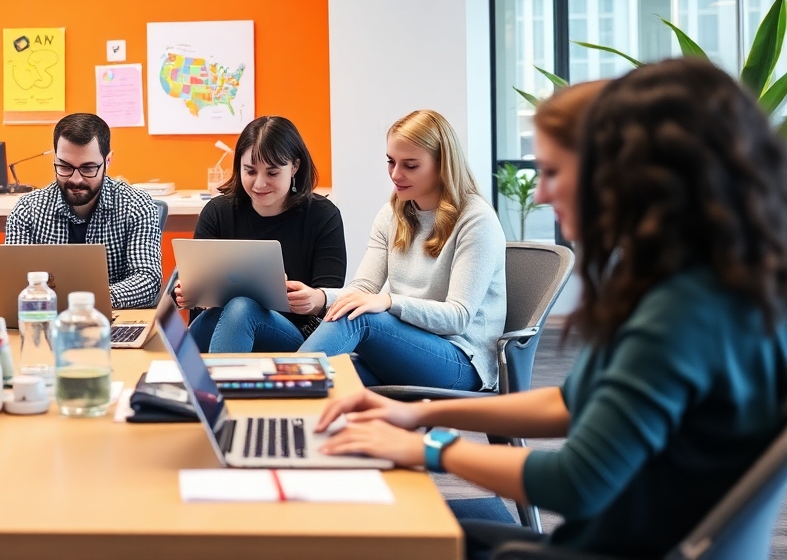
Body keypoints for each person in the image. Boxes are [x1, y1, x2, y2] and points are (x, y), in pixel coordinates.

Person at [317, 63, 787, 560]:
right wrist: (416, 413)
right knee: (454, 518)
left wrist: (430, 448)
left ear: (628, 176)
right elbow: (567, 404)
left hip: (613, 550)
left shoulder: (682, 313)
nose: (540, 192)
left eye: (554, 172)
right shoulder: (708, 287)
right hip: (608, 539)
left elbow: (578, 483)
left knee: (377, 533)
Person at [299, 109, 506, 390]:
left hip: (462, 363)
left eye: (410, 165)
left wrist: (389, 301)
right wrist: (319, 297)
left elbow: (457, 317)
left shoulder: (476, 219)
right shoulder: (391, 214)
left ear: (442, 165)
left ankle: (280, 388)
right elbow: (363, 288)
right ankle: (259, 417)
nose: (396, 174)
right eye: (391, 162)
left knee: (359, 318)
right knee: (331, 376)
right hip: (405, 350)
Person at [173, 116, 345, 352]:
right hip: (217, 326)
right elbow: (195, 296)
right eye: (250, 171)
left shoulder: (323, 216)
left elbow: (329, 297)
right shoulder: (217, 212)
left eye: (272, 173)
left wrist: (312, 299)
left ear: (294, 167)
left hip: (295, 334)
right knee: (232, 309)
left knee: (241, 307)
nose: (259, 184)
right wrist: (187, 293)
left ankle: (216, 389)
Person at [4, 113, 163, 309]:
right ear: (54, 159)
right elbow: (5, 289)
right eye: (64, 167)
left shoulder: (136, 205)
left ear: (108, 160)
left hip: (114, 323)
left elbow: (148, 281)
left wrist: (88, 303)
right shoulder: (27, 210)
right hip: (45, 322)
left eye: (88, 168)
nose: (76, 179)